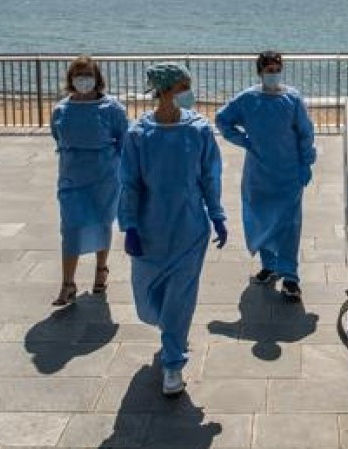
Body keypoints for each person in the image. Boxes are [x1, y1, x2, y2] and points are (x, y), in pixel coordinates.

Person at [118, 62, 227, 397]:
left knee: (180, 298)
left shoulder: (199, 130)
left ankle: (173, 363)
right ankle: (171, 331)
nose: (189, 93)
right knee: (148, 300)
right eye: (183, 87)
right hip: (150, 228)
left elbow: (210, 175)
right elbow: (129, 183)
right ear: (165, 91)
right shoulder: (139, 134)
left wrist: (217, 214)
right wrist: (130, 225)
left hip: (190, 228)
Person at [215, 51, 316, 301]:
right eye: (269, 70)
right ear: (260, 72)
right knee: (261, 218)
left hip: (289, 172)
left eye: (277, 70)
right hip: (259, 173)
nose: (274, 74)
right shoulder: (248, 99)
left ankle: (290, 277)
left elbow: (305, 132)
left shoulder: (292, 99)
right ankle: (269, 265)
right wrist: (244, 140)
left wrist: (306, 161)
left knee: (289, 225)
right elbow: (222, 119)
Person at [49, 55, 128, 307]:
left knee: (102, 223)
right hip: (72, 178)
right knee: (70, 228)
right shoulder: (61, 109)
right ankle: (67, 283)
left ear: (97, 78)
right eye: (78, 75)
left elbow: (124, 141)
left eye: (88, 75)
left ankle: (101, 270)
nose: (83, 80)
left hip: (104, 177)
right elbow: (57, 135)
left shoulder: (112, 109)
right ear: (71, 78)